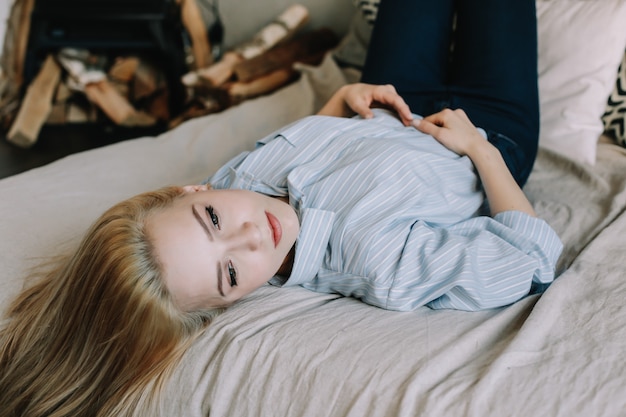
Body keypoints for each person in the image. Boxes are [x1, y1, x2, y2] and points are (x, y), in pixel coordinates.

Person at [0, 1, 562, 416]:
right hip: (491, 131)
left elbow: (312, 147)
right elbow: (531, 258)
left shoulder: (236, 180)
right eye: (229, 272)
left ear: (192, 191)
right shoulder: (378, 264)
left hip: (394, 98)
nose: (251, 237)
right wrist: (481, 150)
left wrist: (341, 104)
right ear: (232, 301)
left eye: (213, 220)